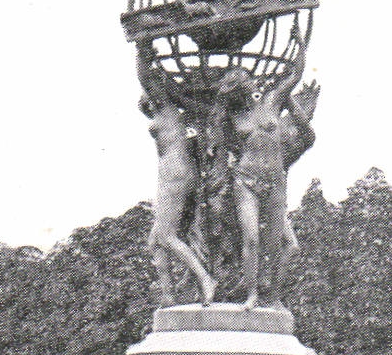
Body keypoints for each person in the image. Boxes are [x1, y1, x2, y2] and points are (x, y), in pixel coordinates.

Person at [213, 55, 319, 309]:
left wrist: (300, 43)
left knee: (273, 244)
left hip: (275, 180)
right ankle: (251, 295)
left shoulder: (272, 101)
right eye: (245, 82)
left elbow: (295, 76)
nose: (251, 84)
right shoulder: (234, 119)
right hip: (246, 180)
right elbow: (230, 146)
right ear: (237, 91)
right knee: (251, 239)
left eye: (249, 80)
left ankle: (272, 297)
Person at [137, 45, 217, 305]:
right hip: (179, 173)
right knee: (154, 241)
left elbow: (143, 76)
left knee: (165, 235)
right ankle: (169, 296)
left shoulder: (165, 108)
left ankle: (205, 278)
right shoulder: (171, 112)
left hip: (175, 174)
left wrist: (141, 50)